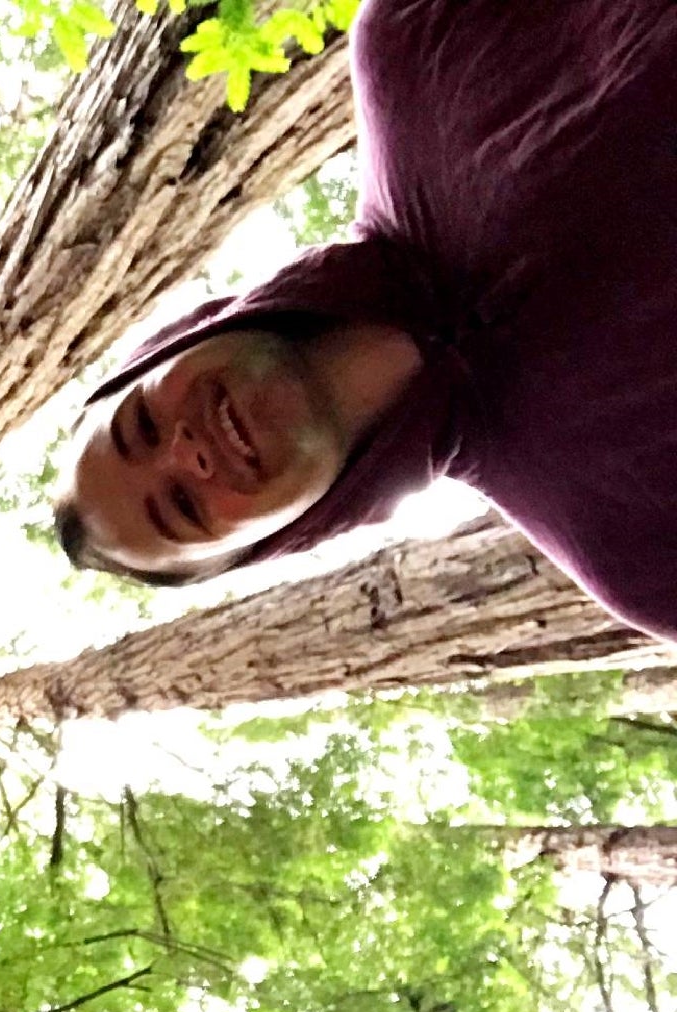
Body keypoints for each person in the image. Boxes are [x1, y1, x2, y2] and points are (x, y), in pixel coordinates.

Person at [52, 0, 677, 640]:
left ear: (172, 346)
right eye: (183, 507)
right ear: (277, 539)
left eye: (143, 424)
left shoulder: (413, 43)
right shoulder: (637, 551)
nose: (187, 453)